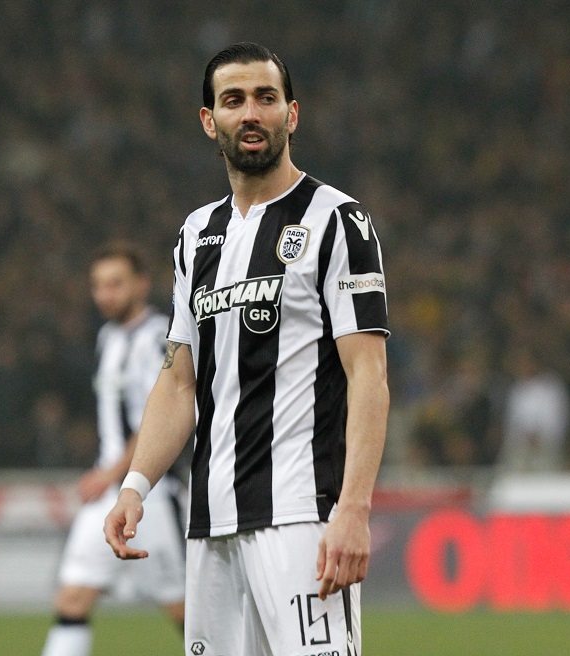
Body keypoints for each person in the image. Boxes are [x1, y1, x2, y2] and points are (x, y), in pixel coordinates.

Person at [104, 42, 389, 656]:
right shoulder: (196, 234)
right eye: (233, 101)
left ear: (292, 113)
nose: (251, 113)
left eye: (266, 97)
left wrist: (354, 509)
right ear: (211, 121)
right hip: (212, 523)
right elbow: (178, 381)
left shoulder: (337, 220)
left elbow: (368, 373)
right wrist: (135, 486)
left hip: (302, 515)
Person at [41, 243, 185, 656]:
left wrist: (111, 472)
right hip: (107, 493)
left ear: (141, 285)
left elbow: (161, 417)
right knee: (72, 599)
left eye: (116, 284)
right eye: (98, 285)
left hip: (150, 493)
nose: (105, 294)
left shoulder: (159, 338)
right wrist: (106, 473)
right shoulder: (108, 338)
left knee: (187, 611)